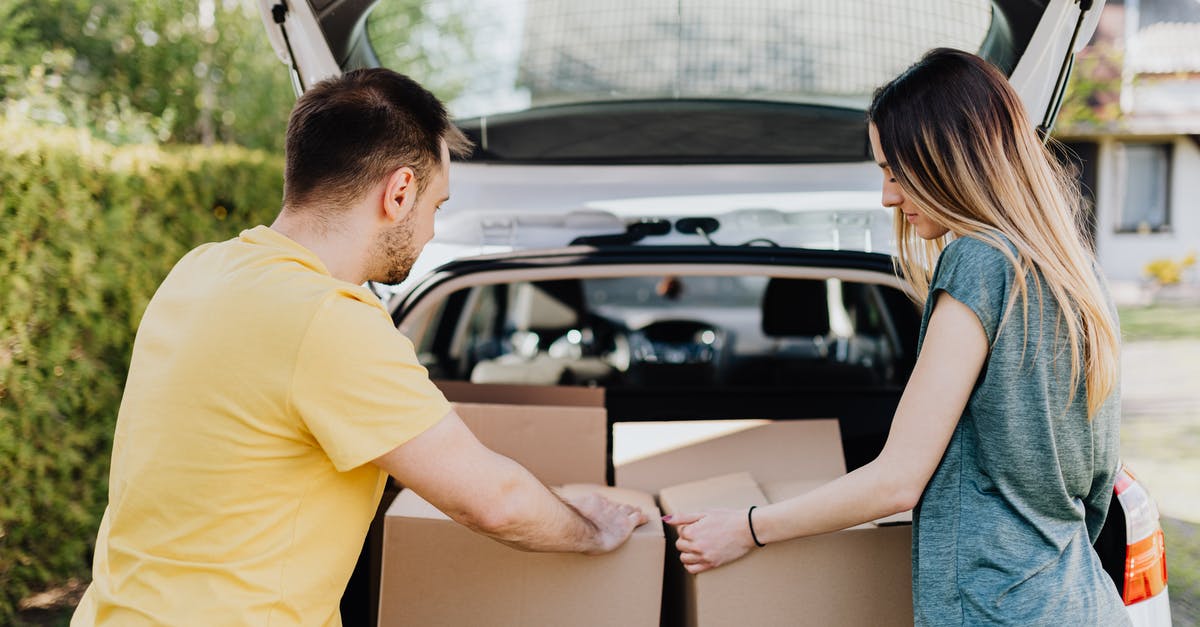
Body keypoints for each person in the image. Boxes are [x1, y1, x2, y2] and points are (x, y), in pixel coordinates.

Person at [72, 68, 647, 626]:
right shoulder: (330, 321)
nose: (429, 231)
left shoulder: (200, 269)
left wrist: (555, 495)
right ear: (399, 192)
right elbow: (491, 501)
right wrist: (594, 530)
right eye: (436, 206)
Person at [665, 48, 1130, 625]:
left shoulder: (978, 263)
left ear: (950, 160)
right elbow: (1093, 492)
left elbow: (896, 482)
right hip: (1084, 602)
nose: (888, 196)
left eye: (895, 171)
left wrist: (748, 528)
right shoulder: (1074, 278)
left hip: (998, 611)